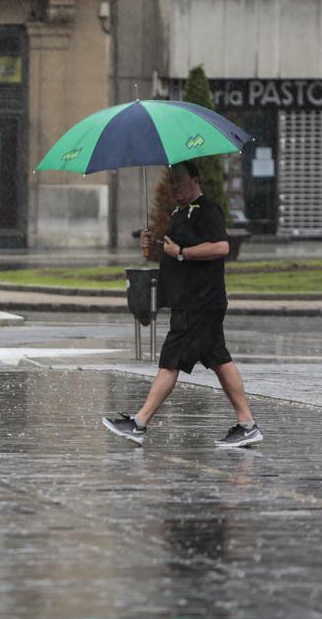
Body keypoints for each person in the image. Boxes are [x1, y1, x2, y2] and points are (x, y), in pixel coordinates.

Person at [103, 160, 263, 448]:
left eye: (179, 180)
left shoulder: (207, 210)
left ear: (195, 181)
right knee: (219, 359)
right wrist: (153, 246)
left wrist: (182, 252)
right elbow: (173, 252)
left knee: (170, 361)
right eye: (171, 181)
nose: (174, 186)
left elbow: (221, 247)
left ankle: (139, 423)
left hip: (199, 302)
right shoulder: (180, 212)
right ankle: (247, 424)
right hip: (192, 301)